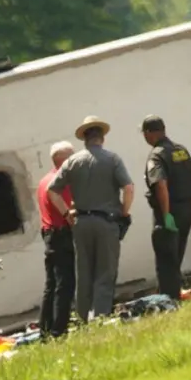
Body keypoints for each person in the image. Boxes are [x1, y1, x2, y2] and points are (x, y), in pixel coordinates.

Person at [48, 117, 135, 322]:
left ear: (84, 139)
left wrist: (66, 213)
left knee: (84, 271)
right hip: (106, 221)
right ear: (102, 138)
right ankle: (101, 317)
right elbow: (128, 188)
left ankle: (82, 319)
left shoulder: (72, 161)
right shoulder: (112, 159)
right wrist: (124, 211)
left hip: (81, 223)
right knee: (105, 270)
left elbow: (53, 190)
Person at [141, 115, 191, 301]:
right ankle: (173, 294)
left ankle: (169, 300)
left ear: (149, 133)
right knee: (176, 255)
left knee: (166, 259)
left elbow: (160, 185)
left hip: (170, 212)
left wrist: (166, 215)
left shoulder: (157, 155)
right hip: (187, 209)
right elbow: (189, 180)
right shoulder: (180, 150)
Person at [37, 141, 76, 339]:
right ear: (64, 160)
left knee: (51, 284)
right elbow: (69, 208)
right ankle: (59, 331)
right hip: (62, 233)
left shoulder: (44, 180)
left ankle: (45, 329)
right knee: (65, 283)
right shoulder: (61, 182)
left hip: (49, 233)